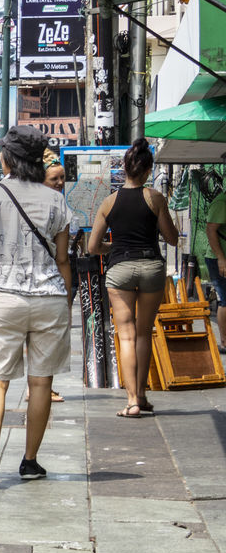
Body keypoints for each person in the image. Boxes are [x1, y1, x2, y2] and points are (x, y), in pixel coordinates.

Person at [0, 126, 72, 487]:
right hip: (49, 298)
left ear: (5, 158)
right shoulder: (56, 200)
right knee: (40, 383)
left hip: (4, 299)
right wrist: (65, 300)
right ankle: (30, 461)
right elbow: (64, 260)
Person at [87, 139, 179, 418]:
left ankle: (131, 402)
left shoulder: (108, 202)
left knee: (125, 335)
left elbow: (92, 247)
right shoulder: (155, 198)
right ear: (148, 170)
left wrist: (113, 247)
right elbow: (172, 238)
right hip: (151, 266)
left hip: (120, 269)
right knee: (143, 333)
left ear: (123, 170)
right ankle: (142, 394)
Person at [44, 152, 69, 403]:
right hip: (48, 281)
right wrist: (68, 292)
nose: (60, 182)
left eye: (62, 177)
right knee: (46, 341)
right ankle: (42, 388)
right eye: (54, 178)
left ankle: (39, 387)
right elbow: (62, 258)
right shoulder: (56, 206)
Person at [205, 189, 226, 353]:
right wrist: (221, 258)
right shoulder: (221, 202)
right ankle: (225, 342)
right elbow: (211, 229)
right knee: (225, 300)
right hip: (218, 259)